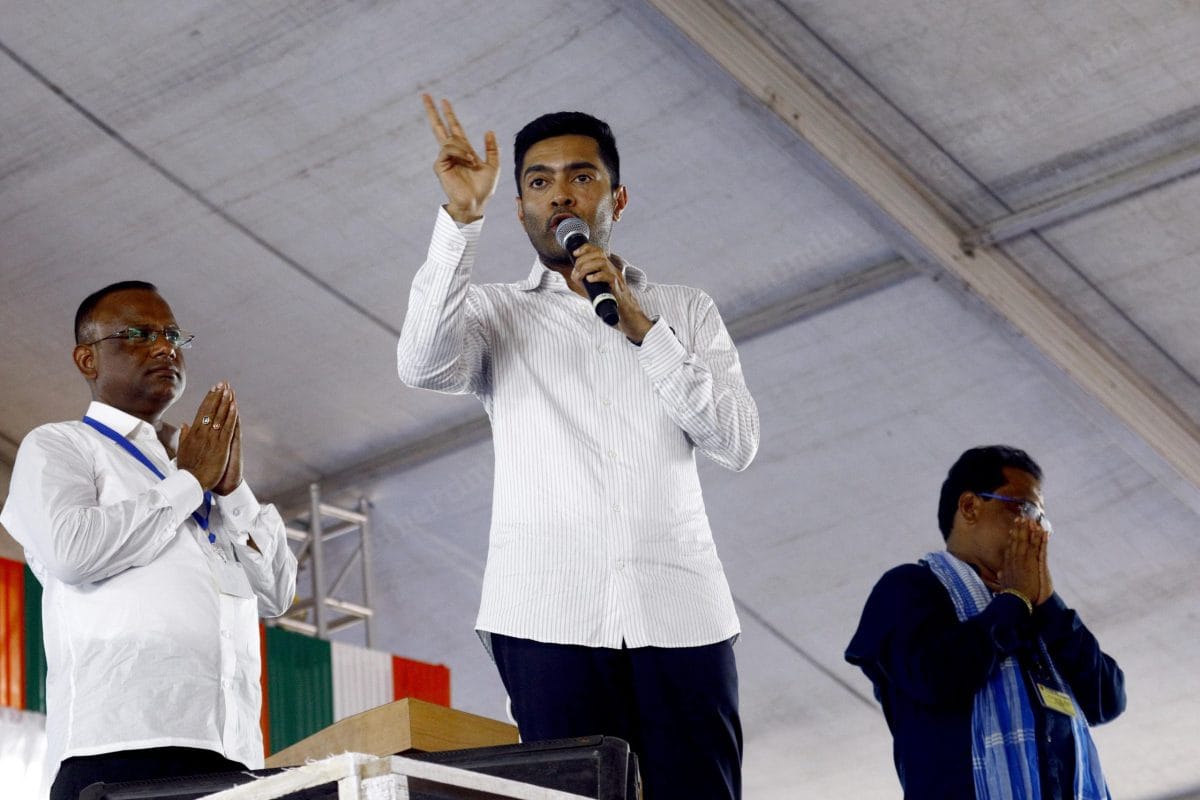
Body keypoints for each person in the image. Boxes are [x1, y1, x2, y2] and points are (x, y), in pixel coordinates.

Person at [396, 96, 759, 799]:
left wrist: (645, 330)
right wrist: (459, 221)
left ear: (616, 197)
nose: (559, 193)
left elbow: (736, 442)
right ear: (520, 208)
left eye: (580, 176)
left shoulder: (684, 309)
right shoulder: (497, 312)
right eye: (538, 182)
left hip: (681, 614)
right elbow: (422, 363)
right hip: (547, 616)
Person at [0, 281, 297, 800]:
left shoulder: (200, 464)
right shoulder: (62, 445)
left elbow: (276, 593)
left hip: (235, 752)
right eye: (138, 334)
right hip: (120, 747)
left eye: (173, 335)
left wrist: (231, 490)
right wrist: (189, 484)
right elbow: (73, 552)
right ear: (87, 359)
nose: (165, 348)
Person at [845, 445, 1126, 799]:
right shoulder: (909, 587)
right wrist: (1013, 602)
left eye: (1041, 518)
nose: (1036, 528)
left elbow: (1106, 699)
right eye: (1024, 508)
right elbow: (934, 677)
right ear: (970, 507)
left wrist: (1046, 602)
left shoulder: (1038, 612)